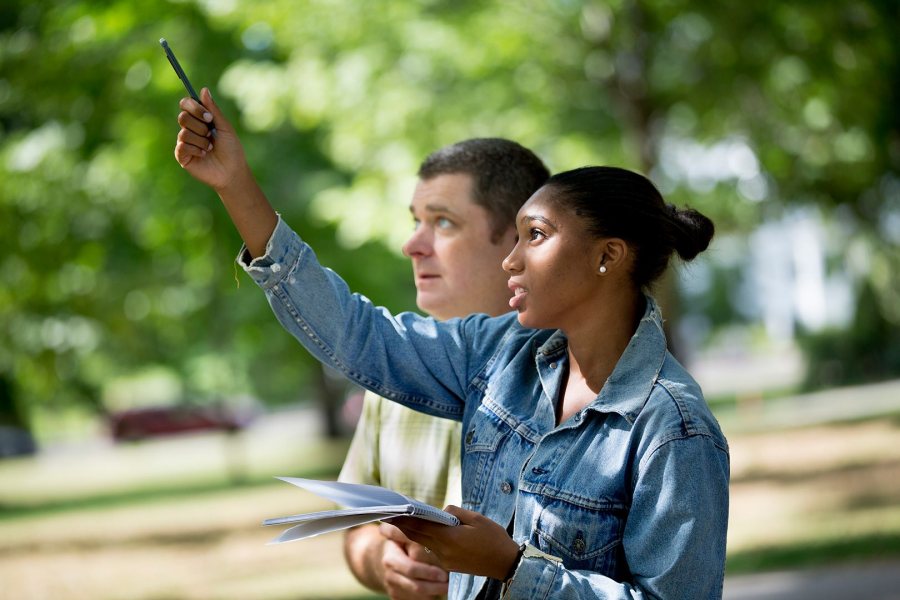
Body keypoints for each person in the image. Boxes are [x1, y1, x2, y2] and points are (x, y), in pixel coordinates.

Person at [174, 89, 730, 599]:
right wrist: (235, 184)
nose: (511, 259)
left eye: (534, 236)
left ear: (607, 256)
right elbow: (355, 332)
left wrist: (512, 567)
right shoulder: (494, 352)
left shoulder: (674, 429)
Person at [337, 139, 549, 599]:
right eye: (416, 221)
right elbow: (354, 529)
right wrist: (382, 562)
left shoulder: (571, 376)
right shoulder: (391, 374)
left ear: (521, 239)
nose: (412, 244)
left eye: (443, 223)